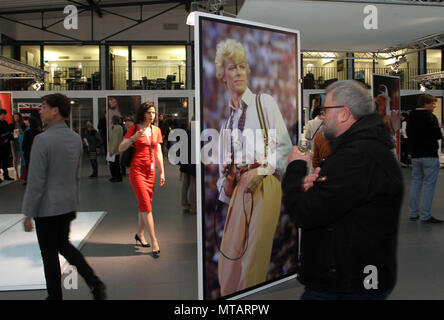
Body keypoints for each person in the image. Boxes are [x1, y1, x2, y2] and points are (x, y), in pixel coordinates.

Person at [283, 80, 403, 300]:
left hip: (343, 285)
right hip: (355, 277)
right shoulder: (368, 149)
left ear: (344, 114)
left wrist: (294, 169)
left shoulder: (356, 157)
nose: (323, 116)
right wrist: (318, 188)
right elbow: (344, 201)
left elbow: (305, 213)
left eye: (326, 110)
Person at [215, 39, 292, 296]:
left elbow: (284, 146)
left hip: (266, 181)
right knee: (229, 264)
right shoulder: (226, 125)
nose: (238, 72)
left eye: (242, 66)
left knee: (253, 260)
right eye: (231, 67)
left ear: (248, 71)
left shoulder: (264, 102)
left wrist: (264, 170)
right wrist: (228, 179)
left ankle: (251, 302)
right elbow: (223, 187)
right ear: (222, 75)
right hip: (240, 189)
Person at [22, 93, 106, 300]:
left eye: (43, 107)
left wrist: (28, 213)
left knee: (49, 254)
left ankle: (55, 296)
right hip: (66, 204)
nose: (40, 110)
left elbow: (36, 181)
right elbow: (75, 175)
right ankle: (93, 281)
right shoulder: (75, 138)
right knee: (63, 245)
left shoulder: (42, 140)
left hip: (47, 208)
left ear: (55, 110)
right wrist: (74, 203)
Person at [118, 102, 165, 256]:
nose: (152, 115)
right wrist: (133, 138)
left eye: (154, 112)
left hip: (150, 172)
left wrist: (162, 172)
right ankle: (155, 241)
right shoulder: (135, 129)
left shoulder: (156, 130)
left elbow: (158, 152)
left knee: (144, 206)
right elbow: (121, 147)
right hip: (137, 171)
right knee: (146, 205)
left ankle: (140, 234)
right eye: (149, 112)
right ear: (143, 114)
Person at [407, 94, 443, 223]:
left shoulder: (411, 116)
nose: (434, 106)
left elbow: (408, 134)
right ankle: (426, 215)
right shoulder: (430, 117)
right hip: (429, 155)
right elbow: (437, 135)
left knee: (416, 183)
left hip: (416, 155)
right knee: (429, 185)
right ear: (425, 104)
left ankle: (413, 212)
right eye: (433, 104)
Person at [180, 118, 196, 214]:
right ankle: (194, 207)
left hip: (185, 160)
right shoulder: (197, 135)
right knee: (194, 182)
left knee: (185, 183)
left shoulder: (186, 133)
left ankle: (184, 205)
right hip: (193, 161)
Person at [22, 116, 42, 183]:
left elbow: (24, 144)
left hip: (28, 151)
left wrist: (24, 150)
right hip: (37, 151)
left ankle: (29, 179)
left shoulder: (27, 132)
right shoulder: (39, 132)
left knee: (28, 166)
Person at [10, 112, 26, 180]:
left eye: (17, 117)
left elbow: (25, 132)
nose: (16, 118)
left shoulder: (23, 124)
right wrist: (12, 134)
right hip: (14, 142)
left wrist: (21, 132)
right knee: (15, 158)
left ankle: (22, 173)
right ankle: (16, 172)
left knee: (22, 158)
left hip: (21, 142)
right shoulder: (11, 125)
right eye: (15, 117)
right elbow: (8, 133)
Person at [108, 115, 123, 182]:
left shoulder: (116, 128)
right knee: (115, 164)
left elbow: (115, 140)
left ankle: (116, 177)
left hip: (114, 150)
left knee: (114, 165)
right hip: (116, 149)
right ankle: (116, 177)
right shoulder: (119, 127)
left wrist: (112, 150)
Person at [0, 109, 13, 182]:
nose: (4, 116)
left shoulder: (5, 122)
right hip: (1, 145)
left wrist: (8, 137)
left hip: (6, 145)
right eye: (3, 115)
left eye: (5, 114)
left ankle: (6, 175)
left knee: (5, 161)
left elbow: (8, 132)